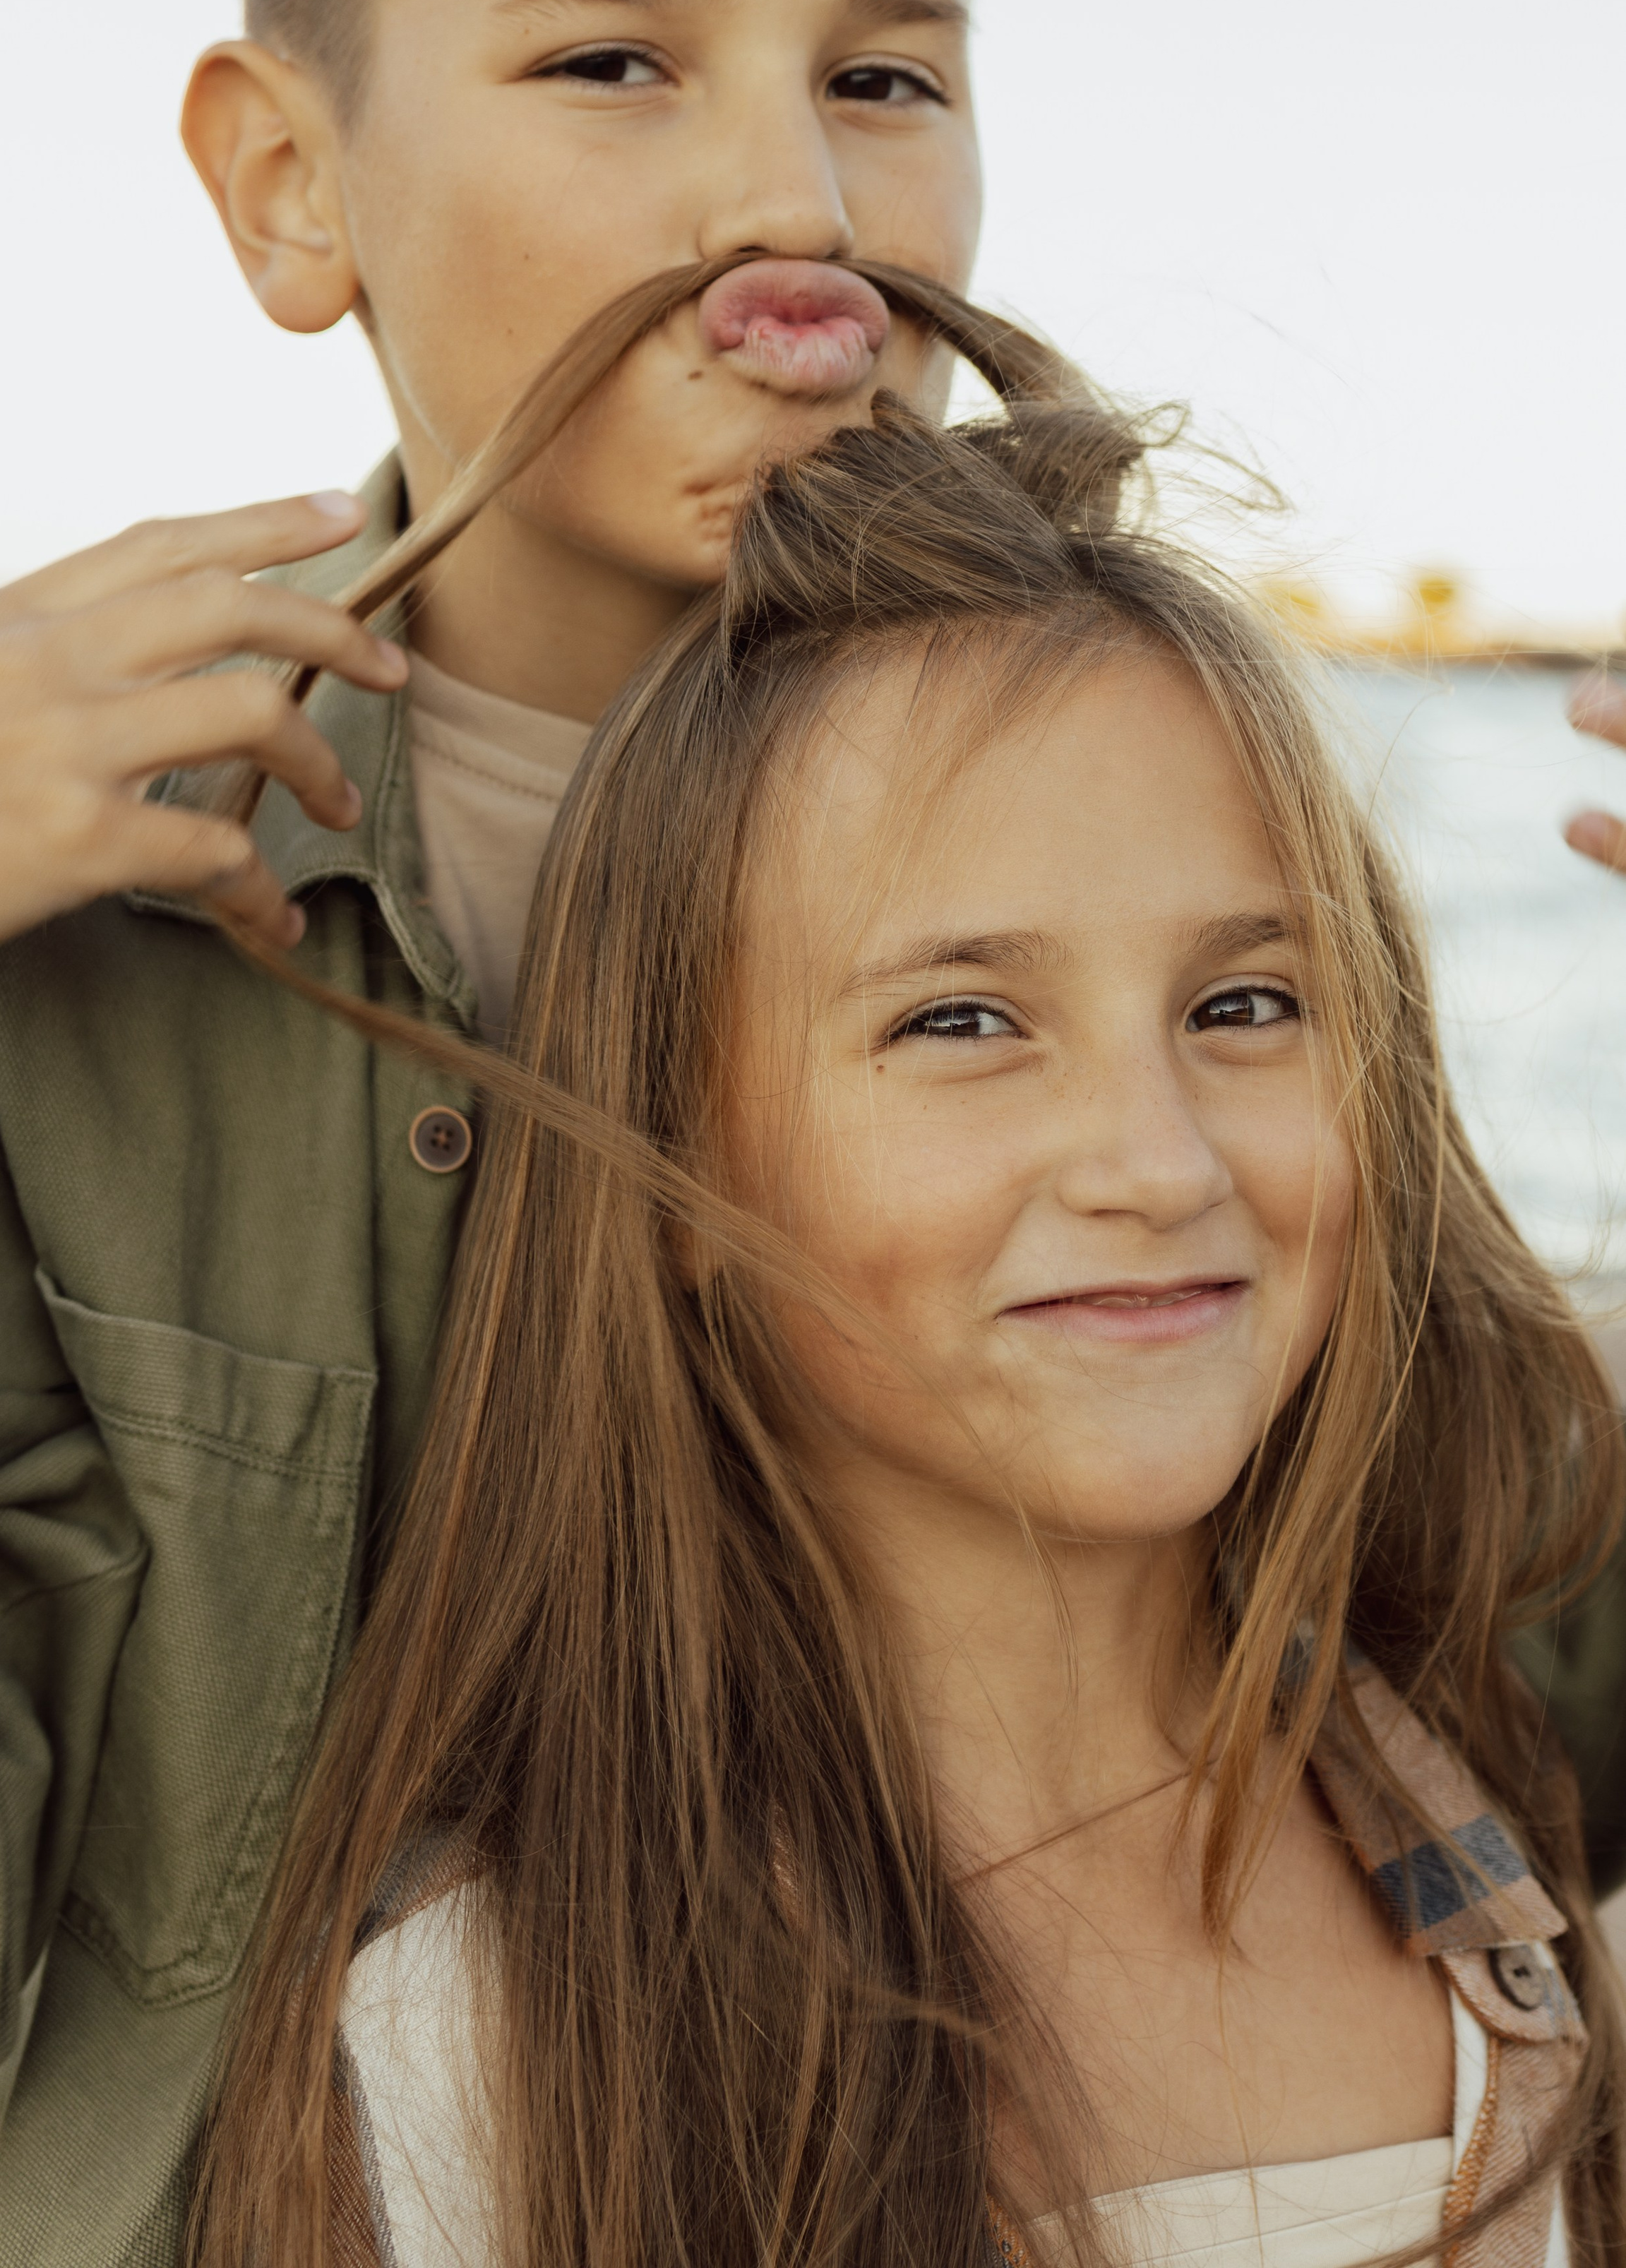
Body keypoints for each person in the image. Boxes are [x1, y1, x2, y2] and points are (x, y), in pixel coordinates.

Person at [0, 0, 984, 2261]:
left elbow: (1480, 1700)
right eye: (613, 60)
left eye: (889, 75)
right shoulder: (27, 944)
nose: (796, 206)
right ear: (287, 181)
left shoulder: (1177, 861)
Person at [184, 369, 1626, 2268]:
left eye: (1249, 1004)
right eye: (961, 1022)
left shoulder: (1483, 1819)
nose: (1157, 1158)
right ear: (675, 1170)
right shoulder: (507, 2039)